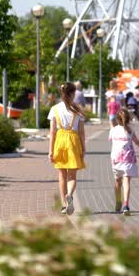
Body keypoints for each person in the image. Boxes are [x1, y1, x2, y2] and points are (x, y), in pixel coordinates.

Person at [48, 82, 87, 215]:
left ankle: (65, 205)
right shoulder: (78, 110)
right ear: (72, 94)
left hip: (60, 140)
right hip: (73, 141)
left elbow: (52, 132)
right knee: (72, 175)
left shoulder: (55, 109)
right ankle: (70, 194)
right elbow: (81, 132)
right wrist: (83, 147)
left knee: (62, 174)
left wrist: (51, 150)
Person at [109, 108, 139, 216]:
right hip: (128, 159)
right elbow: (136, 141)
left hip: (116, 159)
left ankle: (118, 201)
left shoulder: (113, 130)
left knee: (118, 182)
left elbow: (111, 140)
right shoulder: (130, 130)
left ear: (117, 119)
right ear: (128, 119)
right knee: (126, 182)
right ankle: (126, 205)